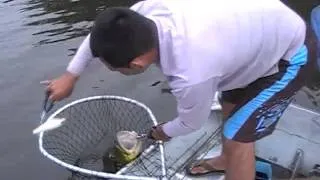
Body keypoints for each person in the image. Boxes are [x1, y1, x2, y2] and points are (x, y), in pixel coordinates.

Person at [44, 0, 313, 179]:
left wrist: (160, 132)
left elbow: (192, 122)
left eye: (115, 68)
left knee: (237, 136)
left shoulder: (190, 71)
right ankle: (223, 159)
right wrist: (71, 75)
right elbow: (98, 38)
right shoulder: (143, 13)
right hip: (253, 40)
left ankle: (235, 160)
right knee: (230, 102)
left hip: (291, 55)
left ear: (136, 64)